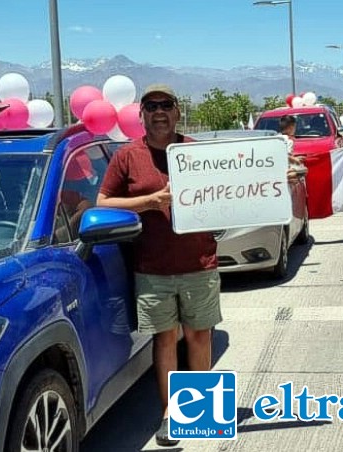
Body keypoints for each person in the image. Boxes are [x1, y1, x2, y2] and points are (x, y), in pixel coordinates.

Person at [96, 84, 222, 447]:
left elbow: (228, 193)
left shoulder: (195, 152)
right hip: (152, 268)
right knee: (165, 339)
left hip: (199, 261)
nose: (159, 111)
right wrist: (149, 201)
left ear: (178, 111)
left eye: (166, 105)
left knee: (199, 335)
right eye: (151, 106)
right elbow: (102, 202)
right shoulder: (127, 157)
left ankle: (200, 413)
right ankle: (171, 413)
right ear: (142, 115)